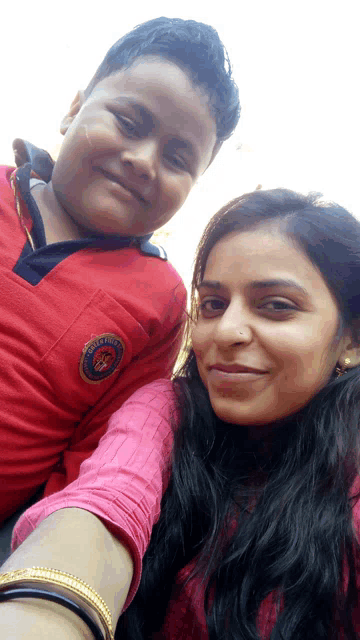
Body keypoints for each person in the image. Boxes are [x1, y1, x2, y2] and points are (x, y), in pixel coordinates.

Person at [3, 187, 360, 639]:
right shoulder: (168, 409)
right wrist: (49, 607)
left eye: (276, 306)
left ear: (351, 339)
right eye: (213, 304)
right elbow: (108, 497)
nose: (224, 332)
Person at [0, 15, 240, 545]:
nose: (142, 161)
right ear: (73, 109)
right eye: (129, 123)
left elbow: (92, 455)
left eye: (178, 158)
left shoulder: (160, 300)